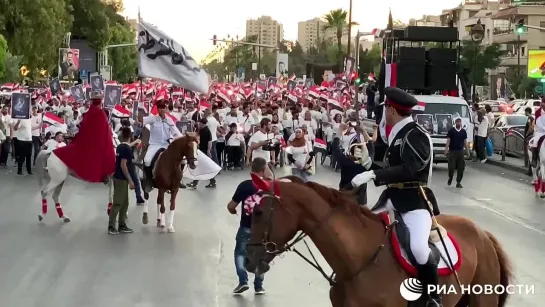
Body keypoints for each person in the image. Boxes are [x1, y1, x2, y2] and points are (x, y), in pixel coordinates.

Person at [351, 87, 442, 307]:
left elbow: (411, 168)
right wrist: (367, 163)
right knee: (363, 233)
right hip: (391, 198)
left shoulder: (416, 134)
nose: (383, 113)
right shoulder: (397, 134)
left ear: (391, 110)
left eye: (385, 109)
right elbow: (390, 167)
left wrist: (374, 173)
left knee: (419, 249)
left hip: (414, 202)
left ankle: (433, 297)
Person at [53, 92, 116, 183]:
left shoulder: (88, 113)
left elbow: (83, 126)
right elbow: (106, 130)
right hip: (98, 141)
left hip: (87, 139)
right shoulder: (101, 113)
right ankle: (103, 175)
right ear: (101, 102)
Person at [227, 157, 268, 295]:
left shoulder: (244, 186)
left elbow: (231, 206)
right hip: (263, 230)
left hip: (246, 226)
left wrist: (233, 211)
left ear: (251, 168)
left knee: (239, 253)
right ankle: (258, 285)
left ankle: (243, 281)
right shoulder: (269, 187)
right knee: (261, 256)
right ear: (264, 170)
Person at [142, 99, 182, 189]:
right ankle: (148, 180)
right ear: (157, 108)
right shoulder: (153, 119)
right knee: (147, 160)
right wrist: (141, 108)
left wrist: (181, 138)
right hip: (154, 145)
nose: (161, 110)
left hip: (166, 145)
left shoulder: (169, 120)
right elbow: (141, 120)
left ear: (166, 108)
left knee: (180, 159)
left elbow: (175, 132)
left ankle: (178, 180)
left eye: (163, 107)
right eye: (160, 107)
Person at [108, 127, 137, 235]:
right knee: (118, 203)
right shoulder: (127, 149)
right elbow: (123, 165)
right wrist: (130, 180)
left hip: (118, 177)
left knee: (125, 203)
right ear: (130, 136)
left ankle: (122, 225)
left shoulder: (120, 146)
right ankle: (111, 226)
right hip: (122, 179)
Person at [187, 118, 216, 189]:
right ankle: (212, 182)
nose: (198, 124)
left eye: (199, 123)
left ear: (202, 123)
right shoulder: (202, 130)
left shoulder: (206, 131)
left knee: (201, 167)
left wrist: (208, 151)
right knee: (204, 167)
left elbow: (210, 141)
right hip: (201, 150)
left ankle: (195, 183)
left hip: (204, 151)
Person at [445, 118, 467, 188]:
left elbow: (465, 141)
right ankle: (450, 177)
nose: (458, 123)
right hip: (452, 151)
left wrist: (467, 150)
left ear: (461, 123)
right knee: (451, 167)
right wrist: (446, 149)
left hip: (460, 151)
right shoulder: (451, 131)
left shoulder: (463, 131)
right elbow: (448, 140)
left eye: (459, 122)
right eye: (457, 122)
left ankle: (458, 182)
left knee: (461, 167)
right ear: (455, 123)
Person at [530, 99, 545, 167]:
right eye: (542, 102)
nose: (542, 104)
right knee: (535, 142)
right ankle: (534, 159)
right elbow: (538, 123)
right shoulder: (538, 112)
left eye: (543, 102)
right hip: (540, 132)